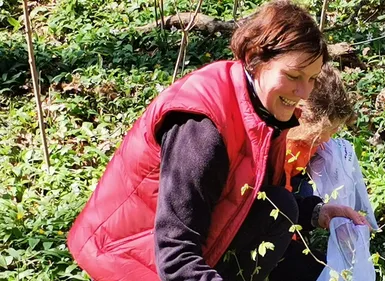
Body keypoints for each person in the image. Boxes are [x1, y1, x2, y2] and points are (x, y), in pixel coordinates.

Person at [66, 1, 344, 280]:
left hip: (182, 247)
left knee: (281, 205)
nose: (304, 92)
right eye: (294, 76)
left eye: (312, 78)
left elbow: (255, 192)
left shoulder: (263, 105)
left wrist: (313, 212)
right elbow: (176, 257)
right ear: (256, 60)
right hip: (130, 259)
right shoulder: (203, 128)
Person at [278, 63, 378, 281]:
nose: (326, 140)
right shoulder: (279, 145)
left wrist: (316, 212)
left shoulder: (307, 140)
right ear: (300, 116)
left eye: (333, 131)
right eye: (322, 133)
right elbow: (274, 207)